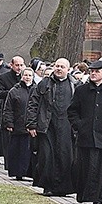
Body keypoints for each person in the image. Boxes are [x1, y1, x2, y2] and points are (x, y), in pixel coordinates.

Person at [68, 60, 102, 204]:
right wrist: (79, 125)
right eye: (92, 71)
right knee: (84, 167)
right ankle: (83, 195)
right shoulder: (81, 90)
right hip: (86, 135)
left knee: (101, 169)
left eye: (97, 71)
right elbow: (72, 111)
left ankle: (99, 198)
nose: (93, 74)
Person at [26, 58, 79, 196]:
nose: (59, 69)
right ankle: (47, 186)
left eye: (62, 67)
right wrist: (31, 124)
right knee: (47, 156)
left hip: (67, 125)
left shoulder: (74, 85)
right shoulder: (45, 83)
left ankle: (63, 188)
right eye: (57, 66)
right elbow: (33, 103)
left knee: (65, 156)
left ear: (68, 69)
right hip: (47, 124)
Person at [2, 67, 36, 180]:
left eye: (30, 75)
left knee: (29, 151)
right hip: (18, 125)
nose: (27, 77)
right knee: (17, 151)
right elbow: (8, 109)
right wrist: (9, 123)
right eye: (25, 75)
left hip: (31, 126)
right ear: (22, 76)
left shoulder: (36, 90)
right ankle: (18, 173)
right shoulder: (14, 91)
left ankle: (28, 172)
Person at [0, 55, 26, 170]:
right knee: (8, 142)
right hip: (8, 112)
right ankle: (9, 165)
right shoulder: (4, 78)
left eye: (21, 65)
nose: (19, 68)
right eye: (17, 65)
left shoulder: (25, 77)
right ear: (11, 65)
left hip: (22, 115)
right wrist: (12, 93)